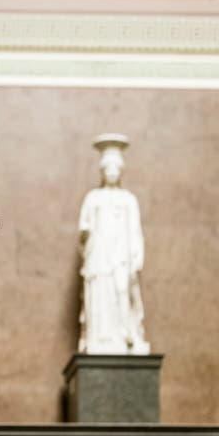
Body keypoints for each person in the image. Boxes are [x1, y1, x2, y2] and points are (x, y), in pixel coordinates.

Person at [78, 134, 150, 355]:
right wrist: (87, 236)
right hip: (99, 255)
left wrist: (136, 257)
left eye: (115, 169)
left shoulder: (128, 199)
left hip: (121, 256)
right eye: (108, 169)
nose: (111, 172)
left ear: (120, 172)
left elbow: (135, 231)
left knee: (121, 291)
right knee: (100, 293)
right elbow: (84, 227)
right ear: (102, 172)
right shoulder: (93, 198)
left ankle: (125, 333)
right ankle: (101, 336)